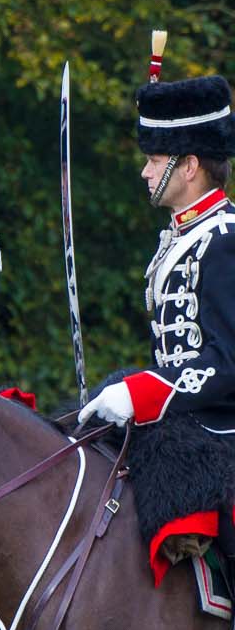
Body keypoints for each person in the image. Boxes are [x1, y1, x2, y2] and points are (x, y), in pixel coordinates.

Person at [79, 37, 235, 577]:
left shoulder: (226, 239)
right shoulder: (181, 236)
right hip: (178, 417)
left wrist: (145, 392)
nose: (146, 173)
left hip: (219, 427)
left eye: (155, 161)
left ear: (189, 164)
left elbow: (227, 362)